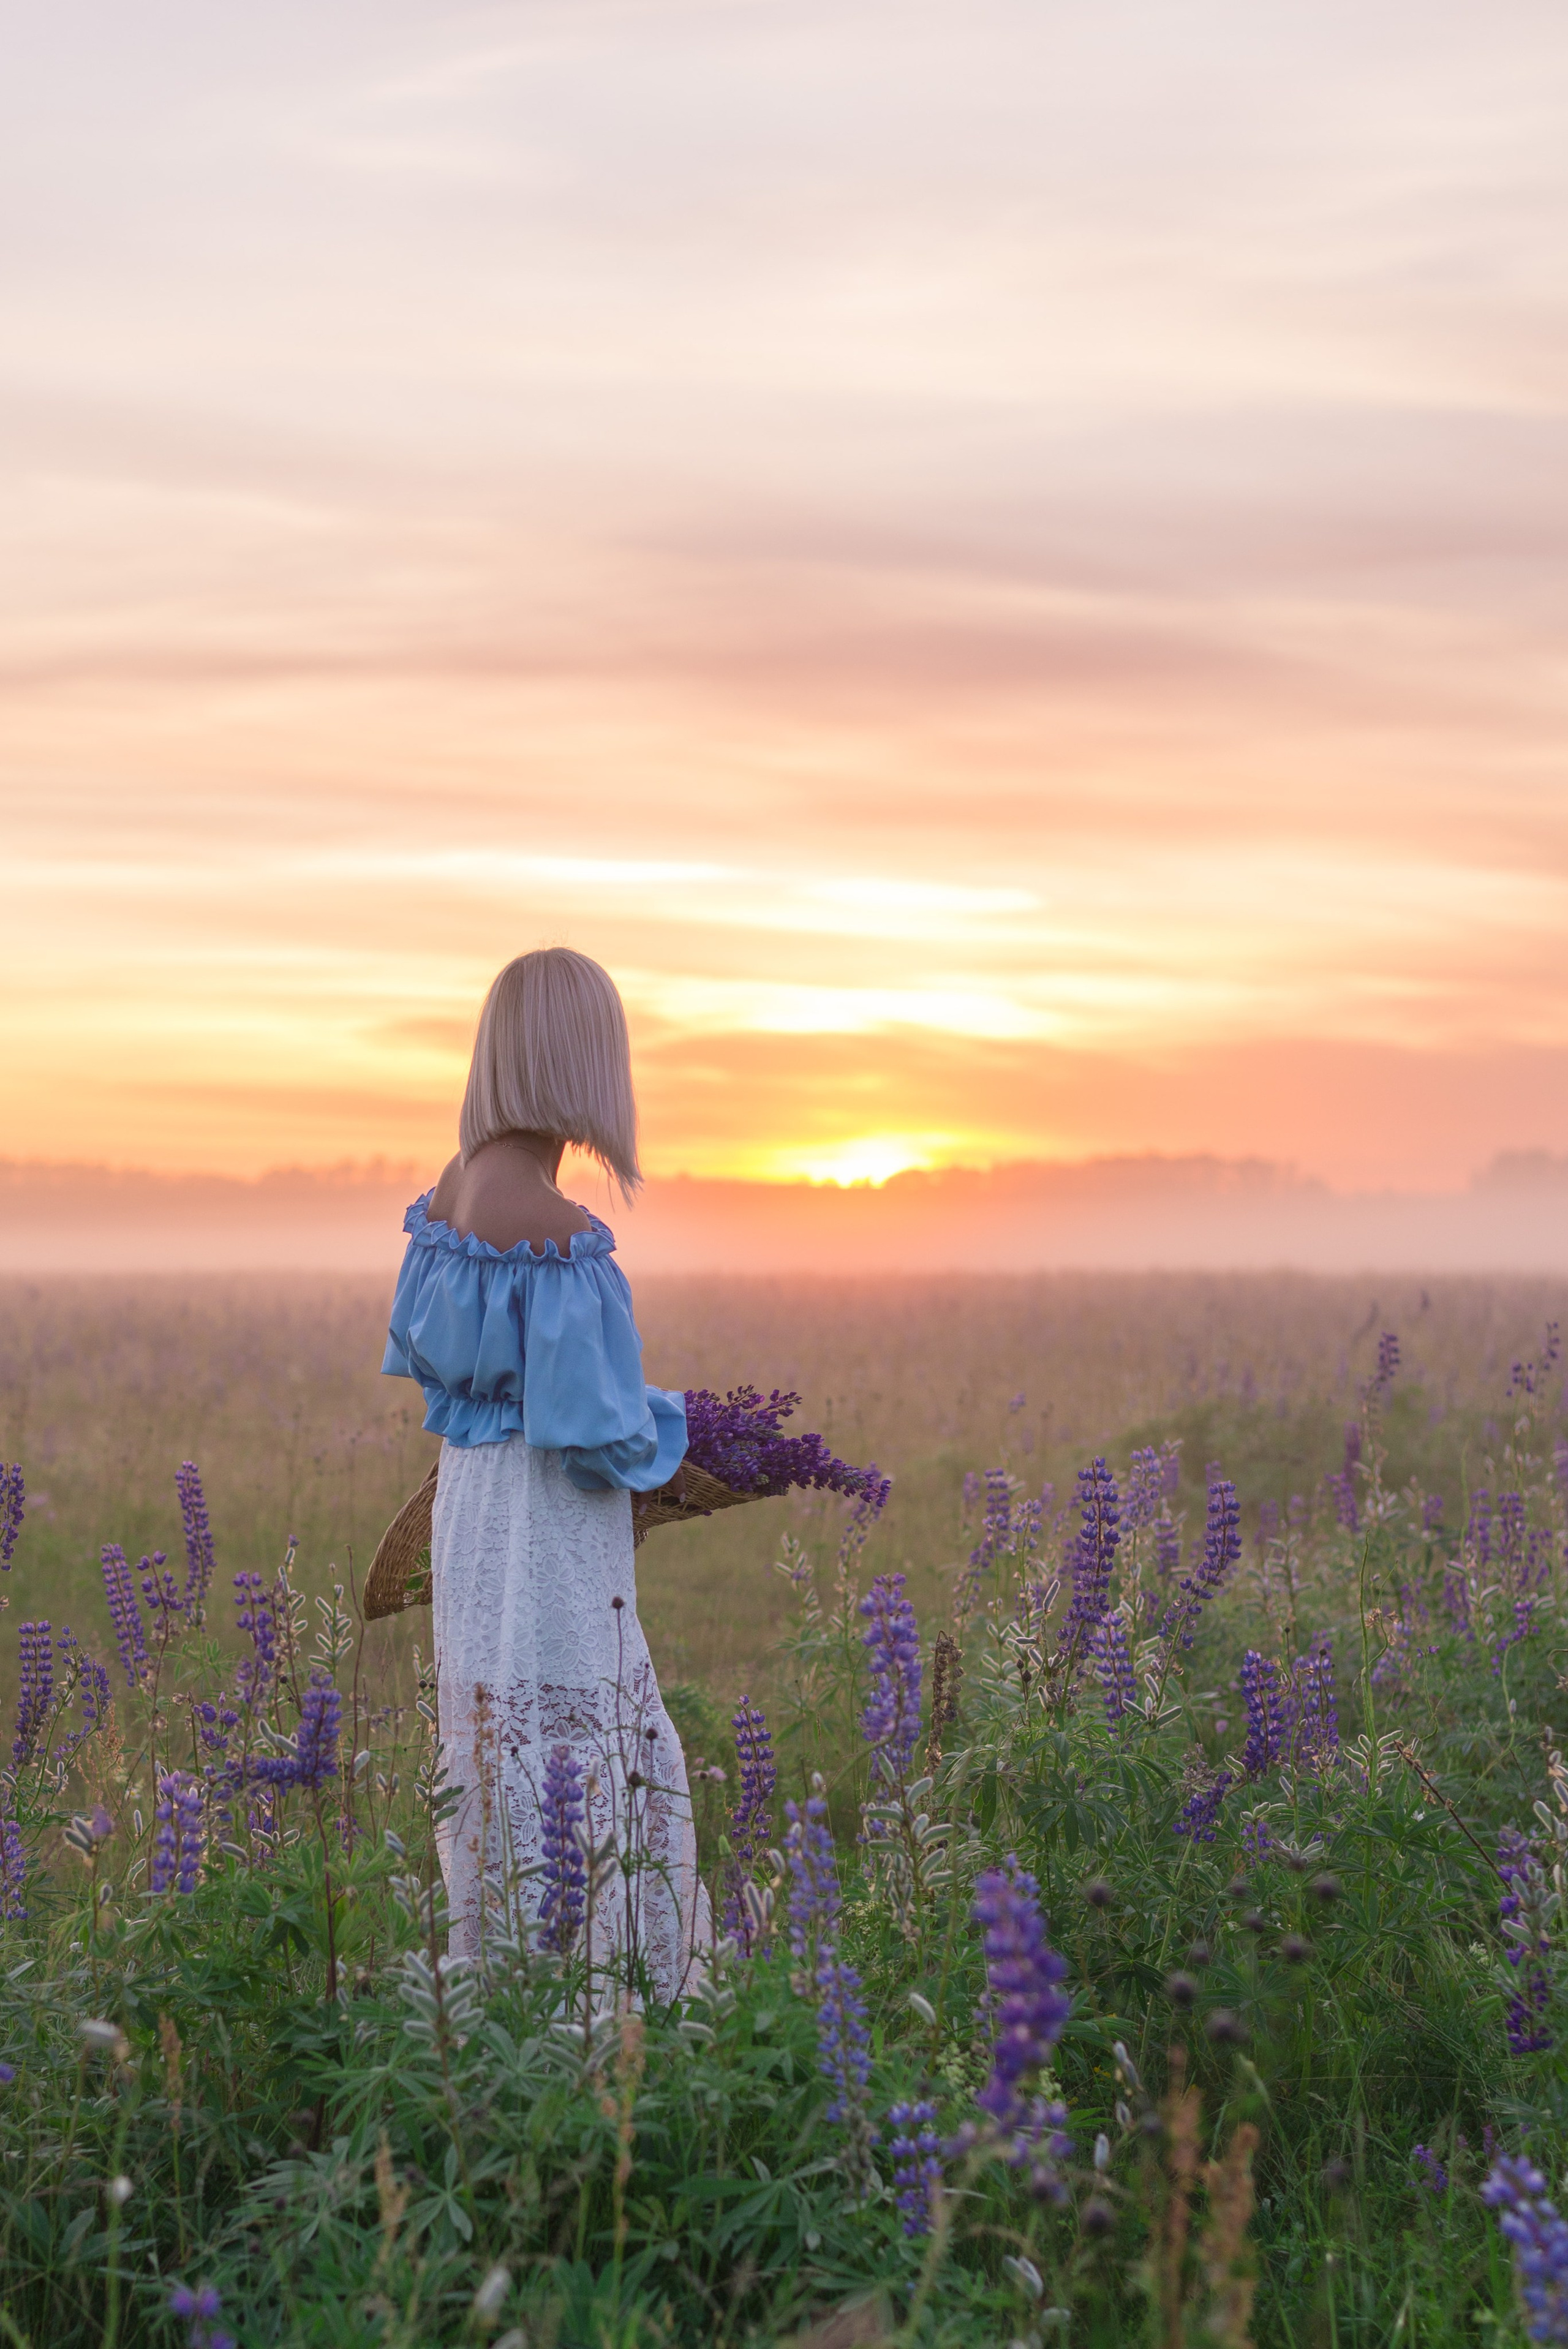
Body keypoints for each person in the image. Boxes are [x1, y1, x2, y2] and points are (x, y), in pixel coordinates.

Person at [381, 948, 709, 1995]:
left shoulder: (449, 1194)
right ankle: (608, 2003)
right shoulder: (562, 1235)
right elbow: (600, 1436)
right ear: (582, 1065)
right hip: (549, 1511)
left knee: (497, 1733)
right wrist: (689, 1431)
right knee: (586, 1726)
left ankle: (504, 1988)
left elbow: (446, 1366)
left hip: (471, 1501)